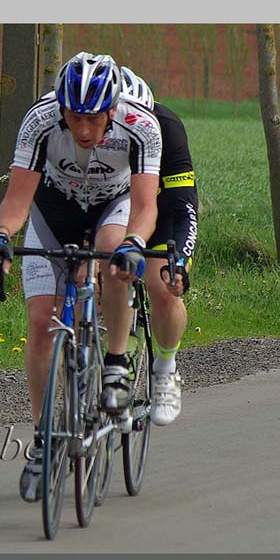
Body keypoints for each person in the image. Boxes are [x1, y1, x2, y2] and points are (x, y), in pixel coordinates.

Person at [0, 52, 162, 502]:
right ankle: (43, 439)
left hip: (113, 208)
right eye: (75, 117)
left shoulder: (140, 126)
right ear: (61, 107)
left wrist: (134, 245)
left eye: (94, 119)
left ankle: (116, 365)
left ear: (112, 110)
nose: (83, 130)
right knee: (42, 323)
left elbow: (145, 207)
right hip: (53, 211)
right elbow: (18, 200)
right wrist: (1, 237)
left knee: (115, 262)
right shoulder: (40, 121)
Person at [118, 65, 200, 427]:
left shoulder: (168, 127)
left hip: (162, 216)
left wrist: (178, 262)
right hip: (118, 214)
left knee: (163, 286)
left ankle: (165, 370)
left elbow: (184, 207)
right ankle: (113, 363)